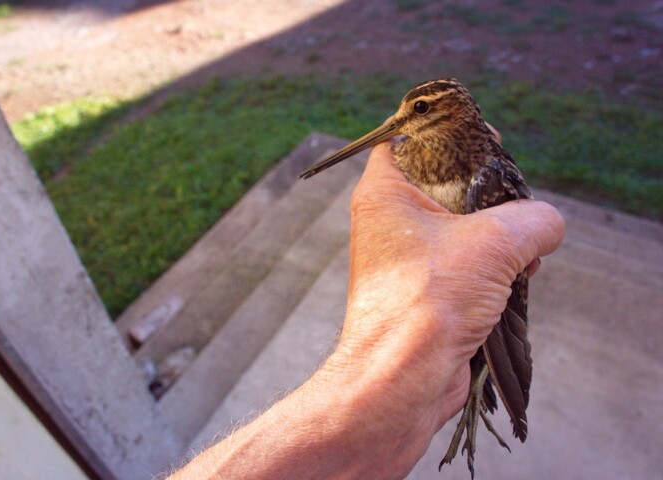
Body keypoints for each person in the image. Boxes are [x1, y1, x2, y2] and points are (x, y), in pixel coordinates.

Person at [168, 142, 565, 479]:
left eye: (419, 111)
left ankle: (480, 382)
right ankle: (477, 382)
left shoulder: (490, 174)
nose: (392, 130)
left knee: (497, 324)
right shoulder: (413, 156)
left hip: (467, 328)